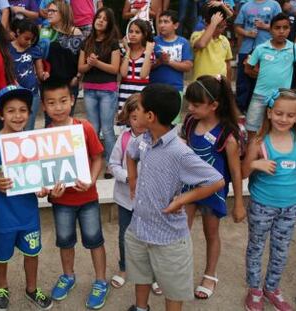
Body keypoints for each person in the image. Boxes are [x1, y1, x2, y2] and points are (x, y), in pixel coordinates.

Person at [125, 83, 225, 311]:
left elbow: (216, 180)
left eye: (138, 109)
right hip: (139, 228)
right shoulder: (143, 139)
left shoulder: (179, 151)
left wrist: (182, 200)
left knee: (173, 287)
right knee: (141, 275)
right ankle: (141, 308)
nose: (134, 113)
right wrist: (133, 180)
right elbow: (131, 154)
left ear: (150, 116)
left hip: (168, 237)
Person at [0, 85, 52, 311]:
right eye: (10, 111)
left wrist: (44, 188)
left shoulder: (35, 142)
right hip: (2, 214)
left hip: (28, 212)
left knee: (32, 252)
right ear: (0, 114)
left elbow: (44, 173)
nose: (18, 115)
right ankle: (2, 286)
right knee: (1, 255)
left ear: (30, 114)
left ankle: (32, 288)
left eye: (23, 110)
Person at [41, 80, 109, 310]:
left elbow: (98, 157)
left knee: (94, 240)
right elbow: (44, 172)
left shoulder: (85, 127)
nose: (58, 107)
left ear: (72, 100)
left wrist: (91, 179)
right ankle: (68, 276)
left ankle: (101, 281)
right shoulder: (44, 136)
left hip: (87, 198)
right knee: (65, 241)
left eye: (63, 101)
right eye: (51, 103)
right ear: (44, 106)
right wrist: (49, 189)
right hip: (62, 201)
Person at [182, 75, 246, 300]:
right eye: (189, 103)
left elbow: (236, 172)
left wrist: (238, 203)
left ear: (214, 105)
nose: (190, 108)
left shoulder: (227, 136)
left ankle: (210, 273)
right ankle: (177, 271)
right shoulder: (190, 123)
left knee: (211, 233)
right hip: (188, 188)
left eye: (196, 105)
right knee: (180, 231)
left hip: (214, 193)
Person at [241, 88, 296, 311]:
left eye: (291, 115)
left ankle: (272, 288)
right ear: (270, 113)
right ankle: (254, 290)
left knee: (281, 250)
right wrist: (256, 164)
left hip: (290, 207)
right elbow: (243, 172)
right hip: (262, 206)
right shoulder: (259, 142)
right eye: (280, 113)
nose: (284, 119)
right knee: (256, 247)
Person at [108, 94, 146, 290]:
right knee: (125, 234)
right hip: (125, 199)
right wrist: (128, 177)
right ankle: (124, 267)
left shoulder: (157, 138)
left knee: (151, 237)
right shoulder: (123, 139)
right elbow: (112, 164)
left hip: (150, 201)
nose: (138, 122)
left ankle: (152, 273)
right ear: (128, 117)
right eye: (133, 118)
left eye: (142, 116)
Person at [78, 7, 120, 179]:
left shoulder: (113, 43)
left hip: (107, 91)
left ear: (109, 24)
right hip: (89, 89)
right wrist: (89, 65)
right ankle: (91, 162)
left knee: (107, 129)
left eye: (105, 19)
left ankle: (111, 165)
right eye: (98, 17)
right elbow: (80, 68)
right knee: (93, 128)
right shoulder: (86, 41)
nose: (100, 20)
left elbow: (114, 69)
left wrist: (96, 63)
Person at [244, 13, 294, 141]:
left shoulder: (293, 49)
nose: (281, 31)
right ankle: (251, 153)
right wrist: (259, 75)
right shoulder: (261, 48)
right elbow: (248, 68)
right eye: (277, 28)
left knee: (278, 127)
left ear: (289, 29)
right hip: (260, 94)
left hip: (282, 98)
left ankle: (270, 153)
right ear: (270, 29)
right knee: (252, 127)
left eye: (285, 27)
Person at [38, 0, 84, 125]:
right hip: (49, 84)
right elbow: (37, 56)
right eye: (48, 10)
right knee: (49, 122)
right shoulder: (43, 30)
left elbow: (82, 57)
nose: (49, 13)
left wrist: (78, 77)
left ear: (63, 12)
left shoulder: (75, 32)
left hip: (69, 83)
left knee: (67, 122)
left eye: (53, 11)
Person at [234, 0, 282, 113]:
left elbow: (281, 26)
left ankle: (262, 109)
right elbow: (237, 26)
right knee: (243, 81)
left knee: (262, 80)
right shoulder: (246, 5)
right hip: (246, 48)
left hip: (267, 49)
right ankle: (241, 108)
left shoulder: (274, 5)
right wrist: (247, 33)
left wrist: (264, 26)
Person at [151, 10, 193, 124]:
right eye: (160, 22)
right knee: (153, 123)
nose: (161, 25)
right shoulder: (153, 42)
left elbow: (188, 66)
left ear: (176, 25)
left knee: (172, 124)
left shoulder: (183, 42)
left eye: (166, 21)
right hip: (154, 89)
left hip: (174, 90)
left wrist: (168, 62)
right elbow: (146, 67)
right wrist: (160, 61)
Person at [10, 18, 47, 130]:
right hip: (13, 94)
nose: (29, 42)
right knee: (14, 129)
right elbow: (4, 71)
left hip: (32, 94)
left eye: (32, 39)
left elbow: (40, 72)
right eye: (26, 38)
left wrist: (43, 75)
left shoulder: (34, 49)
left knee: (28, 128)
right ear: (17, 32)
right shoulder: (7, 49)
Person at [118, 19, 154, 114]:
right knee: (124, 120)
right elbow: (123, 73)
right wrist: (128, 51)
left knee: (139, 120)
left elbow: (143, 75)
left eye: (137, 32)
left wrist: (148, 52)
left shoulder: (148, 52)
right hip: (125, 90)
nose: (133, 34)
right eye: (131, 31)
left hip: (141, 91)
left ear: (144, 34)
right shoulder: (123, 50)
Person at [190, 4, 233, 81]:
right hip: (201, 85)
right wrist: (213, 23)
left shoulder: (224, 40)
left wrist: (228, 84)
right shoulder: (197, 35)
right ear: (207, 24)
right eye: (219, 26)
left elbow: (228, 64)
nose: (222, 30)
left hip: (220, 85)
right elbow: (201, 44)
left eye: (224, 26)